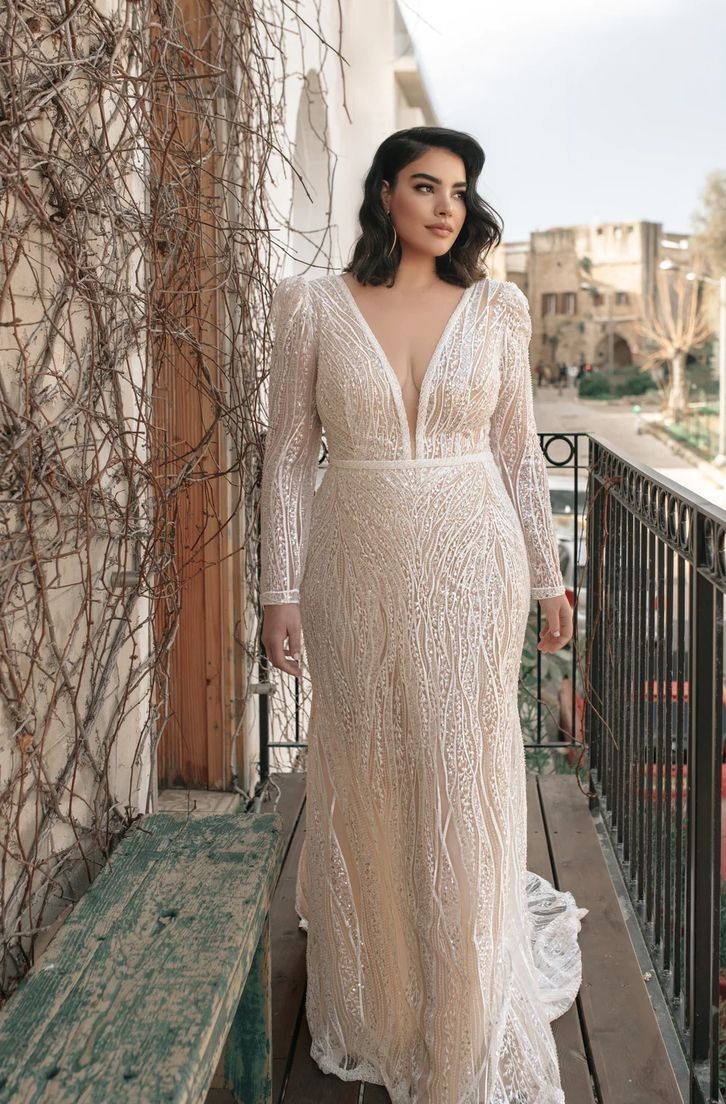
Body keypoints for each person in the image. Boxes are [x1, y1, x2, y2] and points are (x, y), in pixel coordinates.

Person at [259, 125, 587, 1104]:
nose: (446, 206)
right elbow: (285, 458)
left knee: (458, 766)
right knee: (364, 765)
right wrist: (276, 589)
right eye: (424, 186)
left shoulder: (497, 308)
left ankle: (459, 1010)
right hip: (352, 569)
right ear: (385, 197)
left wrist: (547, 577)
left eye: (458, 191)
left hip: (468, 566)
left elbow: (521, 456)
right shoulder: (311, 305)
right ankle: (380, 999)